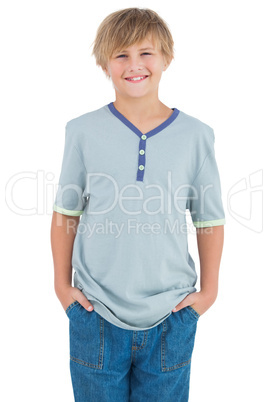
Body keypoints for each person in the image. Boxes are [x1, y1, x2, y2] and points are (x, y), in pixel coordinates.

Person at [50, 7, 225, 402]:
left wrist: (209, 292)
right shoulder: (82, 131)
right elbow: (66, 213)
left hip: (172, 315)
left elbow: (209, 218)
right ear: (104, 63)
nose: (134, 65)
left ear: (165, 58)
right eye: (121, 55)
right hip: (95, 314)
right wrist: (62, 287)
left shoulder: (196, 135)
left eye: (145, 53)